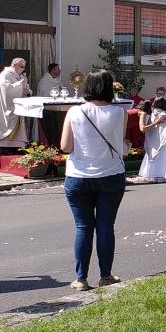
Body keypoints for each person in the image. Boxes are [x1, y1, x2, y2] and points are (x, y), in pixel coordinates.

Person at [59, 70, 127, 291]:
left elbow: (66, 147)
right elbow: (121, 143)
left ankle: (81, 279)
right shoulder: (119, 113)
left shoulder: (74, 112)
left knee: (83, 226)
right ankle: (106, 276)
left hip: (79, 176)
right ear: (109, 88)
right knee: (106, 226)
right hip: (110, 174)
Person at [0, 57, 32, 149]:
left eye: (24, 67)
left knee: (20, 127)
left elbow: (26, 88)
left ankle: (18, 146)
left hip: (19, 107)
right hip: (8, 106)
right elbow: (7, 90)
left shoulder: (20, 76)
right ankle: (6, 147)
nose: (23, 69)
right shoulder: (5, 74)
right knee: (8, 125)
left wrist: (28, 91)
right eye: (21, 67)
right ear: (15, 65)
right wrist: (20, 86)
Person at [138, 97, 166, 182]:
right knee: (163, 156)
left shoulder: (151, 113)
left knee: (152, 155)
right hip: (163, 138)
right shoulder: (164, 114)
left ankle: (150, 175)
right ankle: (160, 175)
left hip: (152, 137)